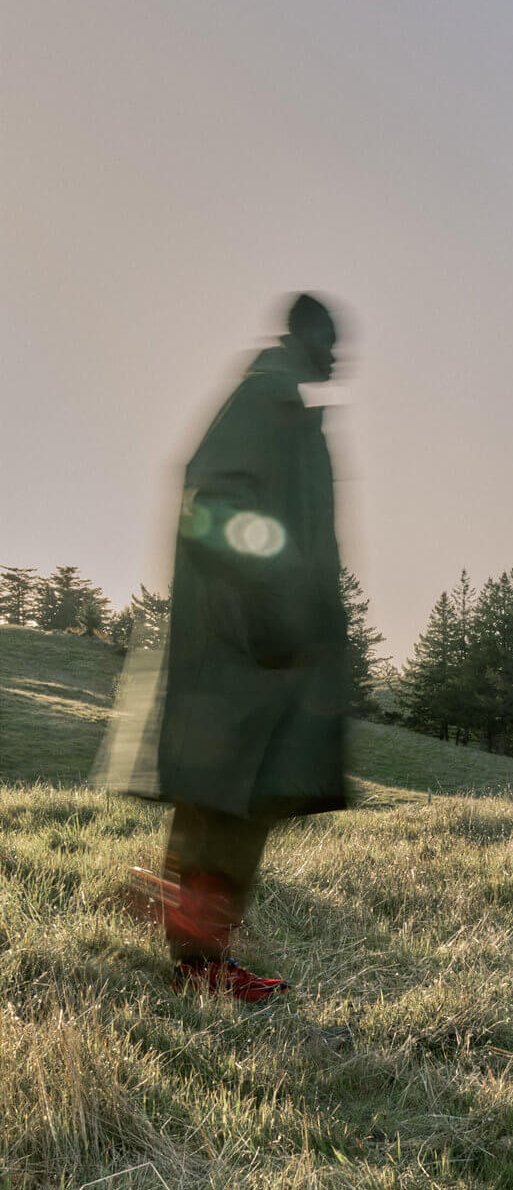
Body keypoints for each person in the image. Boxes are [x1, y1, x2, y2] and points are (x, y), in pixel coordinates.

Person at [99, 293, 350, 1002]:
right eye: (332, 344)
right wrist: (274, 606)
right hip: (248, 649)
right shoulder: (267, 398)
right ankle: (201, 962)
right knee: (235, 802)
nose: (338, 360)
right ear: (308, 340)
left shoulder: (278, 400)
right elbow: (214, 501)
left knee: (226, 800)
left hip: (256, 646)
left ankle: (190, 940)